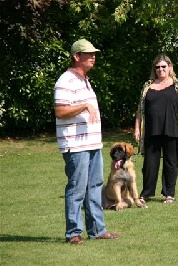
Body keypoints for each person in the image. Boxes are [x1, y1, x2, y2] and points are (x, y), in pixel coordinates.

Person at [54, 39, 120, 244]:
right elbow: (60, 111)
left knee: (95, 187)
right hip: (75, 146)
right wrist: (83, 106)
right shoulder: (65, 80)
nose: (93, 56)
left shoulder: (85, 80)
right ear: (76, 57)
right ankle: (73, 233)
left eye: (94, 53)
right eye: (88, 53)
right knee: (77, 189)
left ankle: (97, 230)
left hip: (92, 145)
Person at [134, 54, 178, 204]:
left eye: (163, 67)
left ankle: (169, 194)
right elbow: (140, 110)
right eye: (158, 67)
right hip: (151, 130)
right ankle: (146, 193)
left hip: (172, 129)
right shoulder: (148, 85)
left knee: (171, 163)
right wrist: (137, 129)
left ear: (170, 67)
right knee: (149, 164)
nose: (160, 69)